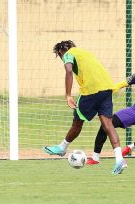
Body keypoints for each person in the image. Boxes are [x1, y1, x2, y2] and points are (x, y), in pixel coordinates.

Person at [43, 40, 127, 174]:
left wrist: (68, 95)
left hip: (91, 91)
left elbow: (69, 71)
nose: (62, 59)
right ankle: (119, 159)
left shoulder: (68, 54)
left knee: (77, 122)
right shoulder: (85, 53)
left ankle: (62, 147)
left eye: (60, 56)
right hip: (107, 89)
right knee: (108, 125)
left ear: (61, 51)